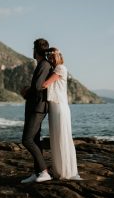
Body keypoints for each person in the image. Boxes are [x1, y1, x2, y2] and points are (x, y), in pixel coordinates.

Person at [42, 47, 81, 180]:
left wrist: (30, 88)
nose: (52, 58)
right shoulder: (53, 69)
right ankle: (59, 170)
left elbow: (46, 84)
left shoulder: (60, 68)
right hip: (54, 107)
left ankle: (66, 171)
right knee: (56, 138)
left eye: (55, 55)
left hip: (59, 107)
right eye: (50, 56)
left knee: (62, 138)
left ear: (60, 56)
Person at [20, 38, 52, 183]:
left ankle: (45, 172)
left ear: (36, 50)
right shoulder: (42, 64)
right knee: (35, 140)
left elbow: (39, 86)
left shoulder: (44, 64)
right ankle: (37, 172)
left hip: (38, 107)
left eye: (33, 48)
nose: (32, 51)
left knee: (27, 140)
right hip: (35, 106)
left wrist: (27, 90)